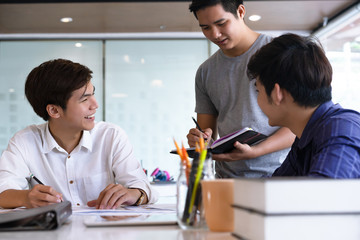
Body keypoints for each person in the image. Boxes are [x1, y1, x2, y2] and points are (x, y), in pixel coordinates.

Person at [0, 59, 158, 209]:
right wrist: (26, 197)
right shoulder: (24, 141)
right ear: (54, 110)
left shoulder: (111, 136)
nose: (95, 105)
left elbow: (145, 189)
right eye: (84, 99)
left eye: (93, 94)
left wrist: (134, 194)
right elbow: (3, 192)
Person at [186, 0, 295, 178]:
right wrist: (201, 140)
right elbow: (207, 135)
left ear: (241, 11)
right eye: (205, 27)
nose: (215, 34)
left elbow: (301, 123)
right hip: (227, 180)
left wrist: (256, 151)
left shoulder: (280, 55)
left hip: (280, 176)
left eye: (221, 23)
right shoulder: (205, 72)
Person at [247, 33, 360, 178]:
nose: (257, 100)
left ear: (277, 94)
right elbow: (277, 187)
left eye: (258, 91)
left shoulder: (341, 131)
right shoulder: (306, 136)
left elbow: (324, 197)